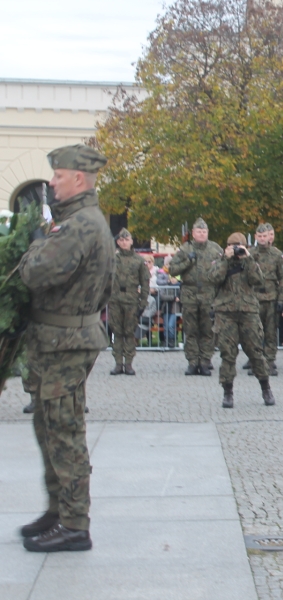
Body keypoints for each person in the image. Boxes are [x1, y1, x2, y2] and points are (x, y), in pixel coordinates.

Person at [19, 144, 115, 552]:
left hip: (65, 343)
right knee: (49, 427)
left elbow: (35, 273)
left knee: (64, 431)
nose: (52, 182)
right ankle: (58, 509)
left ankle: (74, 524)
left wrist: (35, 244)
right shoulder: (82, 221)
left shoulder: (80, 225)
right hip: (60, 340)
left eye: (58, 176)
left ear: (78, 179)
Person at [211, 232, 274, 408]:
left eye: (240, 246)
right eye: (233, 246)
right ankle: (228, 393)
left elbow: (259, 280)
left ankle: (266, 388)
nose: (236, 249)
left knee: (256, 353)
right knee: (228, 354)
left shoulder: (250, 261)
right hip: (226, 313)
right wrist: (225, 259)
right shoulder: (220, 261)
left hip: (248, 312)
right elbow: (213, 278)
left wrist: (248, 259)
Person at [169, 218, 222, 376]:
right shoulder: (185, 249)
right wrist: (187, 261)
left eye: (204, 231)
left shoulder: (215, 249)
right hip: (190, 293)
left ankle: (205, 361)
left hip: (208, 294)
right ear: (193, 233)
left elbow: (223, 269)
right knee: (190, 330)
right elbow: (172, 270)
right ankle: (192, 362)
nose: (202, 234)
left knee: (208, 330)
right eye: (199, 231)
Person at [246, 223, 283, 376]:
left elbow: (282, 278)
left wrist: (281, 299)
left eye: (265, 236)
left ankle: (269, 362)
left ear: (269, 237)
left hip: (271, 298)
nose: (262, 239)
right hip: (254, 298)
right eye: (260, 236)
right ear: (256, 237)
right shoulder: (249, 254)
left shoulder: (276, 254)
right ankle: (256, 362)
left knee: (270, 332)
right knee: (254, 333)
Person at [108, 228, 149, 375]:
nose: (124, 242)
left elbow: (145, 283)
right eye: (121, 240)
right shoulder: (112, 259)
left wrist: (143, 303)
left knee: (129, 333)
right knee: (117, 332)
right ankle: (118, 363)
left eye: (127, 240)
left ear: (131, 241)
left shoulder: (139, 261)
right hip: (115, 300)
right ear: (118, 242)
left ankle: (129, 363)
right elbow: (104, 280)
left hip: (131, 301)